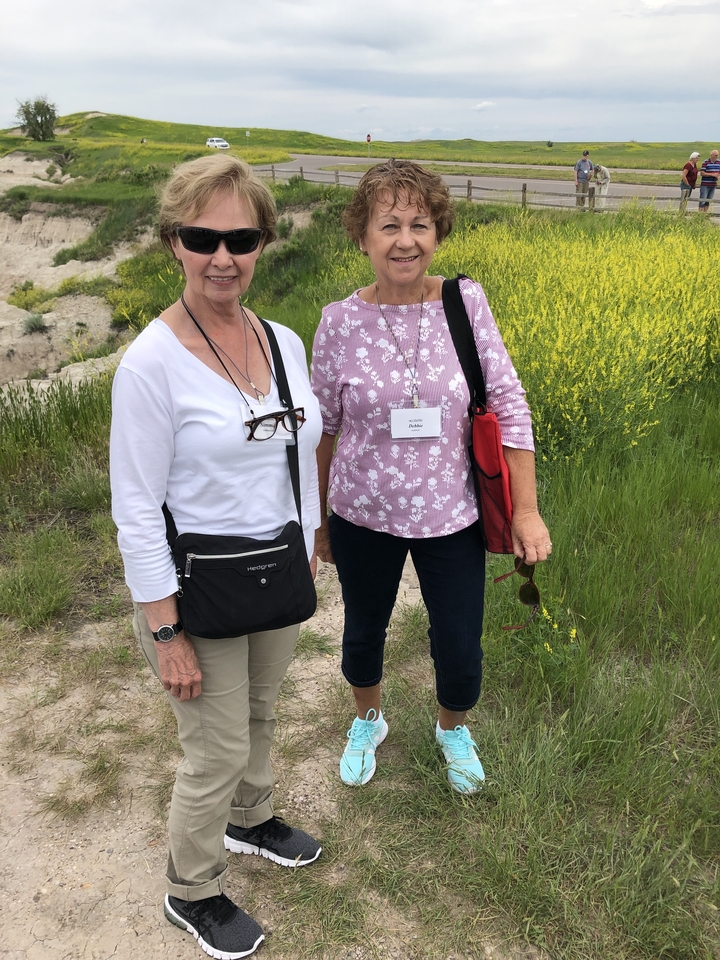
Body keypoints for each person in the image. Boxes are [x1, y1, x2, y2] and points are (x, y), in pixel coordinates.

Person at [110, 154, 323, 959]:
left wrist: (310, 543)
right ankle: (192, 889)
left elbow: (299, 456)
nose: (223, 257)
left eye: (241, 238)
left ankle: (251, 818)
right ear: (174, 242)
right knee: (215, 747)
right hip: (197, 588)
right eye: (203, 238)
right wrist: (164, 631)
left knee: (261, 712)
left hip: (275, 569)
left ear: (264, 241)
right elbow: (135, 507)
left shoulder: (283, 341)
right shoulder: (151, 364)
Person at [311, 160, 551, 796]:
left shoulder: (464, 303)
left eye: (420, 224)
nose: (405, 240)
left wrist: (526, 511)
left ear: (438, 233)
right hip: (362, 514)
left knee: (460, 642)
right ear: (362, 236)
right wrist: (318, 521)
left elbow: (509, 406)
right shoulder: (338, 322)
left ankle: (452, 729)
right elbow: (323, 430)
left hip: (453, 513)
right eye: (388, 224)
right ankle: (368, 720)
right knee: (363, 629)